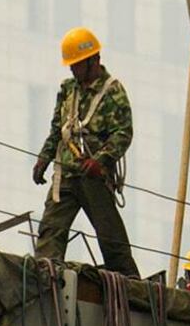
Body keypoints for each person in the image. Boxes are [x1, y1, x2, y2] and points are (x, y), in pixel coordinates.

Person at [32, 27, 139, 276]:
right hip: (67, 171)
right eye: (72, 66)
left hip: (93, 175)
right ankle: (45, 274)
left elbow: (123, 132)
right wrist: (44, 158)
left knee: (109, 234)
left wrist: (101, 161)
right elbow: (58, 129)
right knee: (51, 228)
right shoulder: (68, 90)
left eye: (78, 65)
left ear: (94, 60)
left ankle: (129, 280)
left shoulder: (112, 91)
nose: (73, 69)